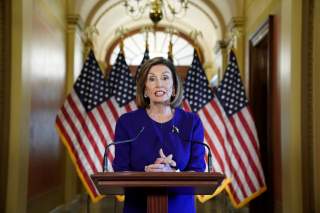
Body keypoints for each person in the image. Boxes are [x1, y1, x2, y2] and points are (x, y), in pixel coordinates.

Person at [112, 57, 206, 213]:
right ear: (145, 90)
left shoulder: (192, 122)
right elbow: (120, 170)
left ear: (174, 89)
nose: (159, 84)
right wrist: (147, 175)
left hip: (180, 208)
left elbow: (197, 170)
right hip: (137, 207)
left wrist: (172, 174)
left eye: (165, 77)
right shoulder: (126, 122)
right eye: (152, 79)